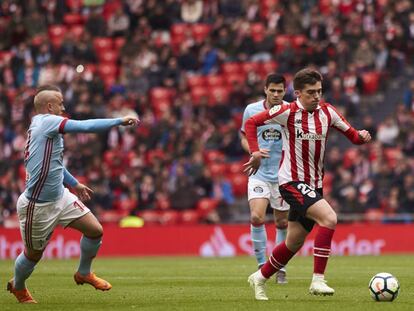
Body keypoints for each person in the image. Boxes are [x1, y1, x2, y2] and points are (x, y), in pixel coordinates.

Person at [243, 68, 371, 300]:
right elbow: (251, 123)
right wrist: (255, 152)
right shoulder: (286, 111)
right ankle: (318, 281)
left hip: (314, 184)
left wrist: (362, 136)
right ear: (298, 93)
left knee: (293, 242)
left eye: (319, 91)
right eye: (311, 92)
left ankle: (259, 277)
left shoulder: (328, 112)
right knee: (329, 218)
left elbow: (352, 136)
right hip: (291, 181)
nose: (316, 96)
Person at [7, 85, 140, 304]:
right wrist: (118, 121)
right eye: (60, 103)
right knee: (33, 255)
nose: (63, 107)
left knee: (95, 231)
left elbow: (54, 164)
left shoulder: (41, 126)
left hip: (60, 196)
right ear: (49, 106)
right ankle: (18, 286)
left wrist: (74, 184)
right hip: (38, 206)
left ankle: (84, 273)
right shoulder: (47, 121)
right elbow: (85, 126)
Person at [240, 74, 290, 284]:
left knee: (282, 221)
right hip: (259, 173)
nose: (276, 94)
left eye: (280, 91)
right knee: (257, 218)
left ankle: (279, 267)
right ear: (265, 89)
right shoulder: (251, 110)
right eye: (273, 90)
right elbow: (244, 135)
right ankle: (262, 266)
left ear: (284, 91)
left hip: (283, 175)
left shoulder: (291, 110)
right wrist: (254, 152)